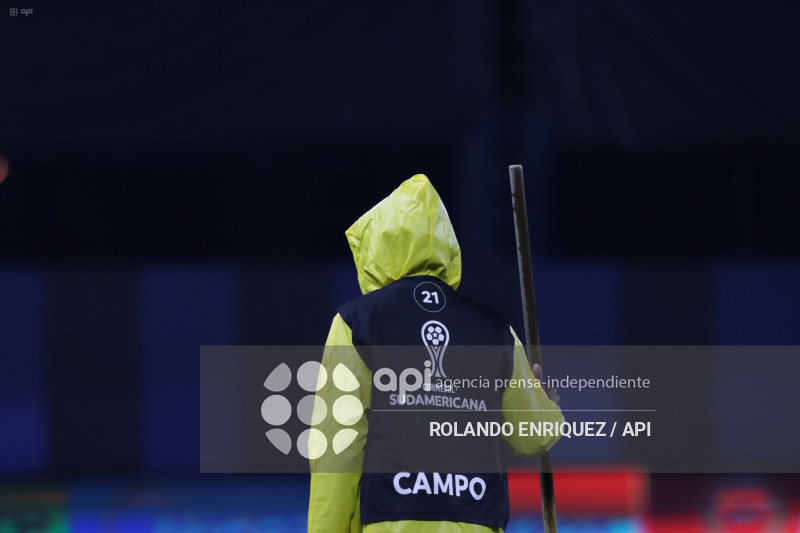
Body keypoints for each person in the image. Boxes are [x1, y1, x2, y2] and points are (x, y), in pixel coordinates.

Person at [307, 174, 563, 533]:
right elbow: (532, 436)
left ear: (377, 245)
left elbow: (337, 455)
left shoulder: (356, 323)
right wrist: (545, 405)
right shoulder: (495, 331)